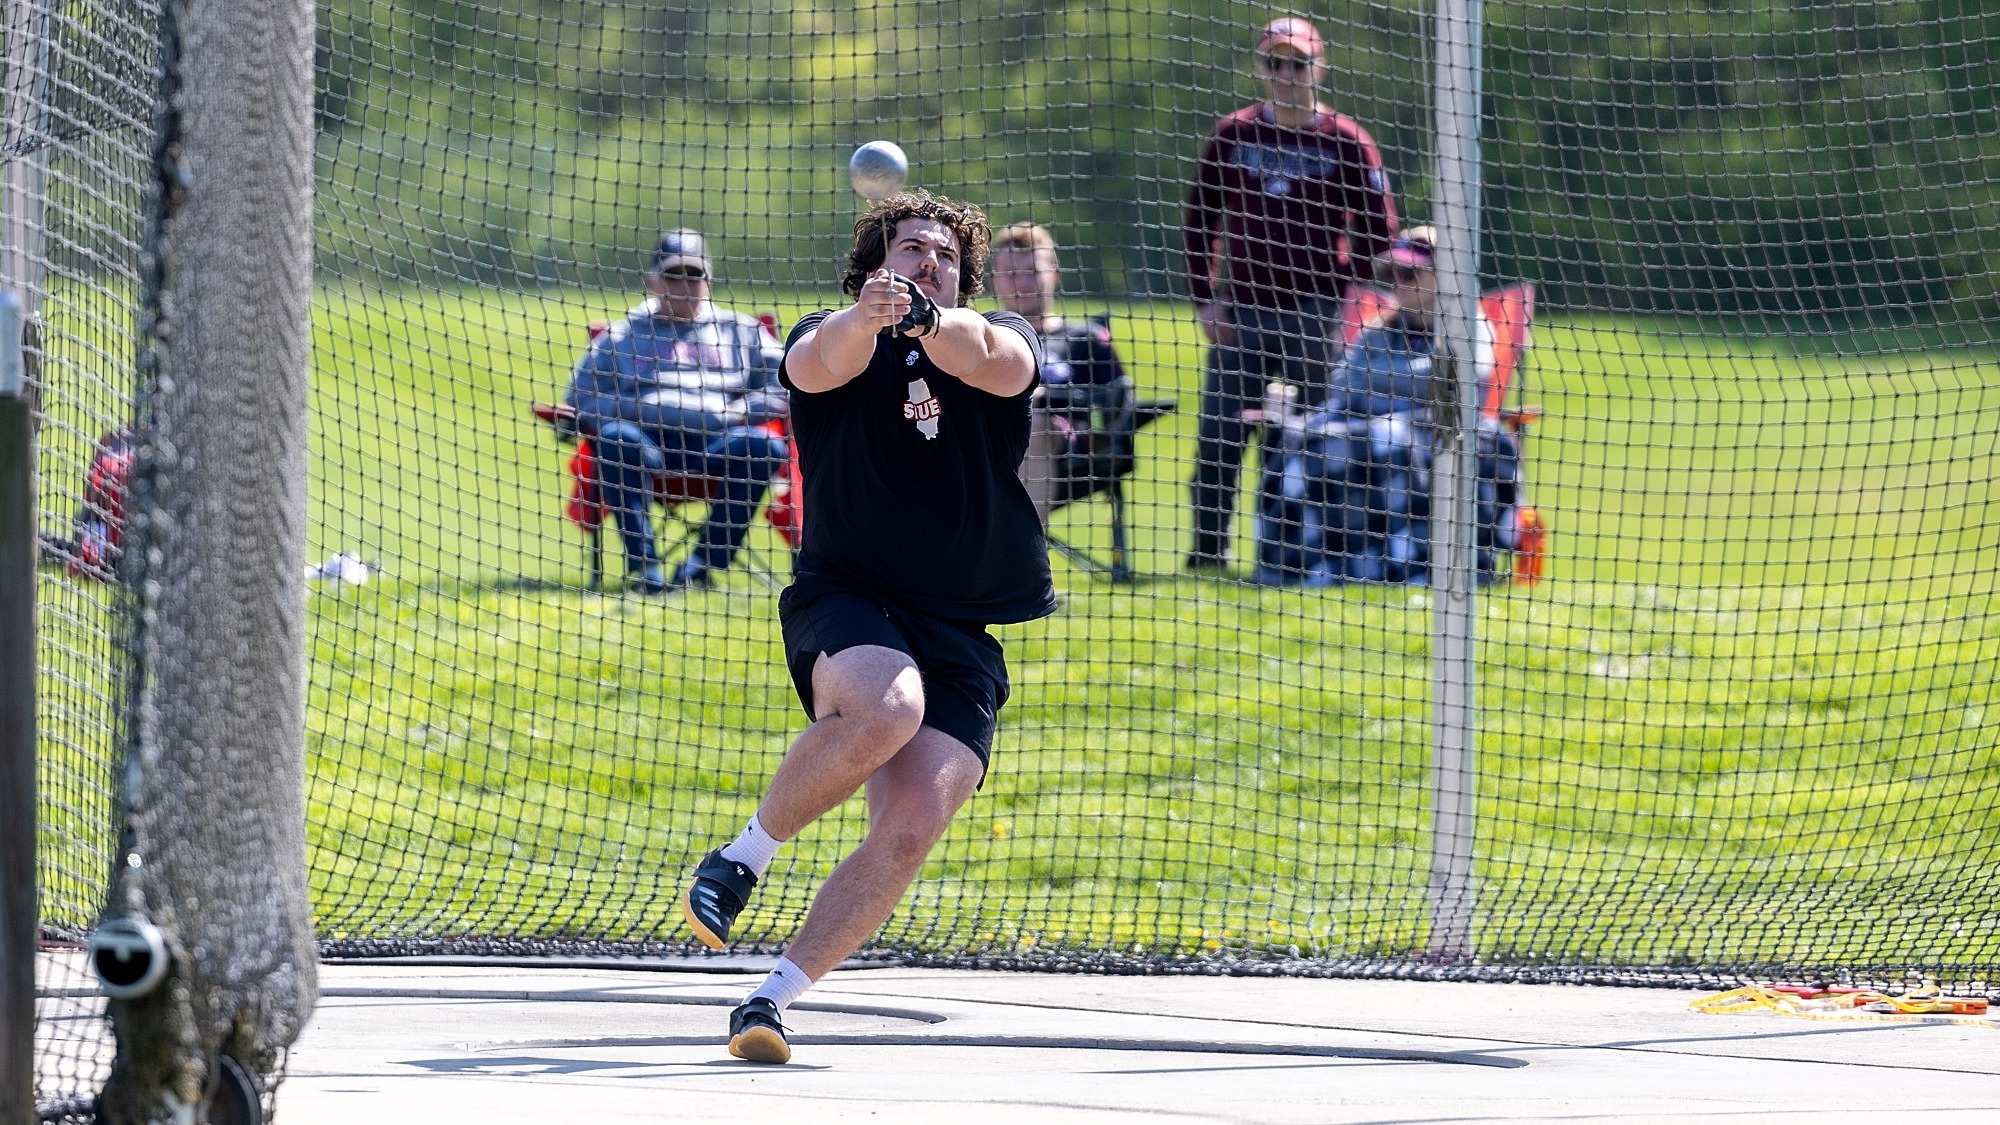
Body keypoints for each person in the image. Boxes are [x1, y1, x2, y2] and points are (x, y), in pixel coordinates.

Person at [678, 190, 1054, 1065]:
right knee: (889, 707)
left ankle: (770, 1000)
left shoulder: (995, 333)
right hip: (849, 597)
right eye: (912, 248)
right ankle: (743, 858)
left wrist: (927, 319)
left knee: (914, 821)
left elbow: (994, 362)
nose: (931, 261)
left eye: (947, 254)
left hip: (961, 624)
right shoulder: (832, 332)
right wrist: (872, 316)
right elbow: (817, 364)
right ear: (873, 268)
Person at [1182, 15, 1398, 571]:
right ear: (1261, 68)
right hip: (1241, 310)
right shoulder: (1233, 134)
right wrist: (1205, 297)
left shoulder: (1347, 141)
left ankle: (1296, 554)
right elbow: (1199, 221)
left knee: (1310, 437)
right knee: (1221, 437)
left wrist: (1348, 288)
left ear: (1318, 67)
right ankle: (1208, 552)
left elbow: (1379, 232)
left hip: (1317, 314)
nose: (1286, 73)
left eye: (1298, 63)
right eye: (1274, 62)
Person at [1262, 227, 1516, 585]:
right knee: (1297, 436)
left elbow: (1453, 383)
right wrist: (1407, 378)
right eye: (1393, 274)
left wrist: (1381, 377)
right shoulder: (1382, 328)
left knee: (1384, 439)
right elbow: (1342, 381)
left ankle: (1401, 564)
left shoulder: (1469, 329)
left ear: (1444, 277)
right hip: (1365, 425)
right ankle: (1305, 562)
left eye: (1410, 273)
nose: (1398, 282)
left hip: (1442, 432)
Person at [563, 229, 790, 592]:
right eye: (672, 275)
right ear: (652, 280)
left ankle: (700, 564)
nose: (684, 285)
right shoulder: (622, 335)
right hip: (647, 443)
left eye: (694, 275)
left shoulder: (741, 331)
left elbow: (787, 383)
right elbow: (581, 395)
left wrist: (739, 412)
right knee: (616, 438)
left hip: (718, 442)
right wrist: (637, 409)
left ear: (709, 280)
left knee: (764, 446)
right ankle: (646, 570)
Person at [989, 221, 1134, 523]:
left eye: (1032, 271)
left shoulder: (1085, 339)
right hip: (989, 442)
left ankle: (1024, 545)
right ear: (994, 280)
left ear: (1054, 275)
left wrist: (1045, 398)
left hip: (1062, 449)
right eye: (1010, 273)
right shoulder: (985, 337)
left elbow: (1116, 403)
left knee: (1036, 422)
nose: (1022, 283)